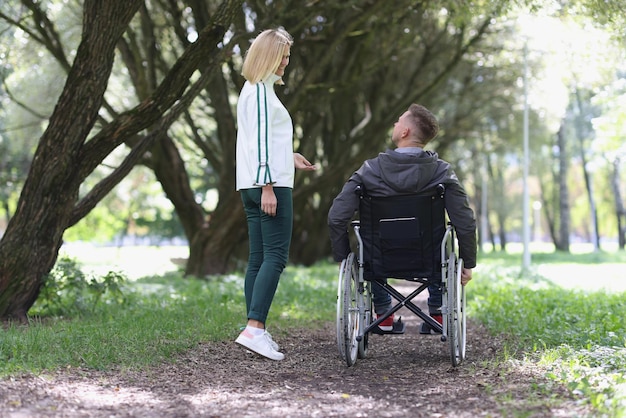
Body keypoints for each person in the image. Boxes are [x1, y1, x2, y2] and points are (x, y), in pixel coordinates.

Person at [328, 104, 476, 333]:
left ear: (405, 131)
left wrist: (341, 256)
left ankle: (384, 317)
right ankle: (437, 314)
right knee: (440, 242)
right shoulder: (442, 172)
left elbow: (337, 217)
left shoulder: (369, 170)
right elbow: (464, 221)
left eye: (398, 121)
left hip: (380, 259)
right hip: (427, 258)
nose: (394, 124)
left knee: (371, 245)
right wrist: (468, 262)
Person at [235, 28, 316, 360]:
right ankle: (254, 328)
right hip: (268, 186)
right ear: (268, 56)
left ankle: (255, 329)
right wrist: (269, 184)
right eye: (282, 56)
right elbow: (260, 140)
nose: (286, 62)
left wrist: (289, 156)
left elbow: (263, 139)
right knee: (275, 257)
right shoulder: (260, 93)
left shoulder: (255, 90)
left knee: (258, 257)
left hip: (253, 183)